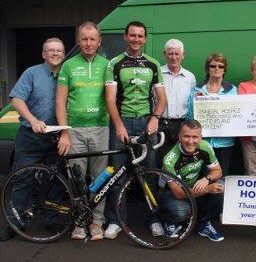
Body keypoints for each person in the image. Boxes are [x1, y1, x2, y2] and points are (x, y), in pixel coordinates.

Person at [104, 21, 167, 239]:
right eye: (133, 35)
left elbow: (162, 99)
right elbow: (109, 99)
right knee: (118, 175)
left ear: (145, 39)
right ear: (125, 36)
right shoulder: (114, 63)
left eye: (140, 36)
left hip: (145, 123)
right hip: (121, 122)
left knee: (150, 173)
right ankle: (114, 220)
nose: (136, 39)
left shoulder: (153, 64)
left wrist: (154, 119)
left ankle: (154, 219)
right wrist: (119, 125)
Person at [55, 22, 109, 240]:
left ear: (99, 41)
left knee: (99, 178)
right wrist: (65, 132)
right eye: (84, 39)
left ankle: (96, 221)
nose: (88, 43)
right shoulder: (68, 65)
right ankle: (79, 221)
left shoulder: (107, 65)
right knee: (77, 179)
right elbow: (59, 102)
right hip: (74, 130)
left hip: (100, 128)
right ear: (78, 41)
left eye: (92, 39)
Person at [8, 37, 65, 233]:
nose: (55, 53)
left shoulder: (67, 74)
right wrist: (33, 120)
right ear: (43, 54)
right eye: (50, 50)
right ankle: (15, 222)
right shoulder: (32, 73)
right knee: (22, 178)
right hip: (30, 136)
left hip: (56, 136)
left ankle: (51, 219)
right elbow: (16, 100)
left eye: (58, 50)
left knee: (54, 181)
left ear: (64, 54)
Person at [160, 119, 224, 241]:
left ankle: (204, 224)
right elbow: (178, 193)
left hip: (193, 187)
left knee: (220, 187)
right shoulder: (170, 159)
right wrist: (206, 189)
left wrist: (207, 178)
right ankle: (166, 219)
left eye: (195, 137)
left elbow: (218, 171)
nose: (190, 141)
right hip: (172, 193)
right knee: (181, 211)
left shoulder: (205, 146)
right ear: (179, 136)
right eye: (186, 136)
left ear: (200, 137)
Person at [187, 53, 236, 177]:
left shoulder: (232, 90)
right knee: (202, 178)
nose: (217, 69)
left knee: (222, 177)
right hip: (202, 142)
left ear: (224, 70)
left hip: (224, 143)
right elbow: (190, 115)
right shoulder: (196, 89)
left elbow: (237, 114)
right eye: (213, 65)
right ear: (208, 69)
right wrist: (197, 102)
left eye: (221, 66)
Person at [157, 39, 195, 163]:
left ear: (182, 55)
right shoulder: (157, 74)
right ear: (165, 54)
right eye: (170, 54)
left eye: (177, 54)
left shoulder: (190, 77)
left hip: (182, 126)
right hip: (161, 125)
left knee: (181, 162)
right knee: (160, 161)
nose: (174, 57)